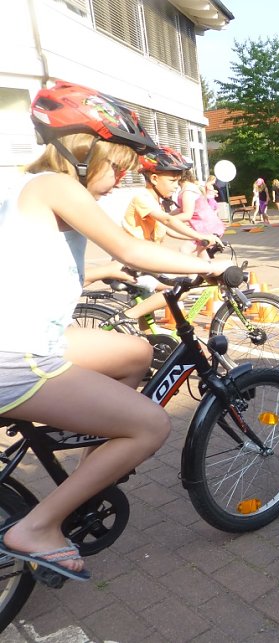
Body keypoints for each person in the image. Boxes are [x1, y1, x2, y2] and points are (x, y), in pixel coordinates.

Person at [0, 80, 231, 581]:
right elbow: (133, 248)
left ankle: (89, 467)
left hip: (21, 341)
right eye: (119, 164)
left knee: (133, 352)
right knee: (151, 424)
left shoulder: (21, 190)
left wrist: (99, 274)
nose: (125, 175)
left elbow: (28, 270)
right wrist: (213, 269)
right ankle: (38, 527)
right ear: (85, 153)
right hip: (19, 356)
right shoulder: (57, 187)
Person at [110, 147, 220, 325]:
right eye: (172, 181)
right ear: (154, 178)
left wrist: (200, 238)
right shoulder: (142, 198)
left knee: (149, 320)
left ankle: (147, 338)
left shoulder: (155, 202)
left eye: (178, 181)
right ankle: (123, 318)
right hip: (134, 264)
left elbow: (169, 230)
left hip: (146, 262)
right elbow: (168, 220)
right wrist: (199, 233)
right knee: (181, 287)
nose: (176, 186)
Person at [176, 169, 225, 256]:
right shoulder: (191, 187)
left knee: (184, 250)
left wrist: (166, 220)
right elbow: (182, 209)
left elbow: (187, 215)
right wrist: (166, 216)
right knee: (201, 254)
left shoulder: (188, 191)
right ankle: (211, 269)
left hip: (205, 228)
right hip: (209, 226)